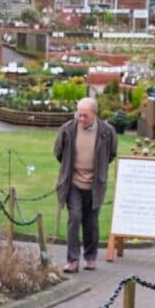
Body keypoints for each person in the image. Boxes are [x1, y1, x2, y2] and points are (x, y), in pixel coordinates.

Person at [54, 97, 118, 273]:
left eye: (85, 116)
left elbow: (111, 154)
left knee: (91, 222)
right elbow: (58, 153)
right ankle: (73, 260)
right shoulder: (68, 129)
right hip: (73, 182)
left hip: (94, 185)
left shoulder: (107, 132)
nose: (81, 119)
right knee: (74, 218)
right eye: (79, 115)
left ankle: (90, 257)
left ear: (94, 114)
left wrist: (98, 170)